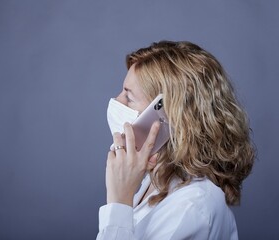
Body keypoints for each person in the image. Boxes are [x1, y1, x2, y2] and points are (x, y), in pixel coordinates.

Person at [96, 41, 255, 240]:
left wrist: (119, 202)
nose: (116, 101)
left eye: (128, 96)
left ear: (166, 116)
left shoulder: (192, 207)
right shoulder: (154, 182)